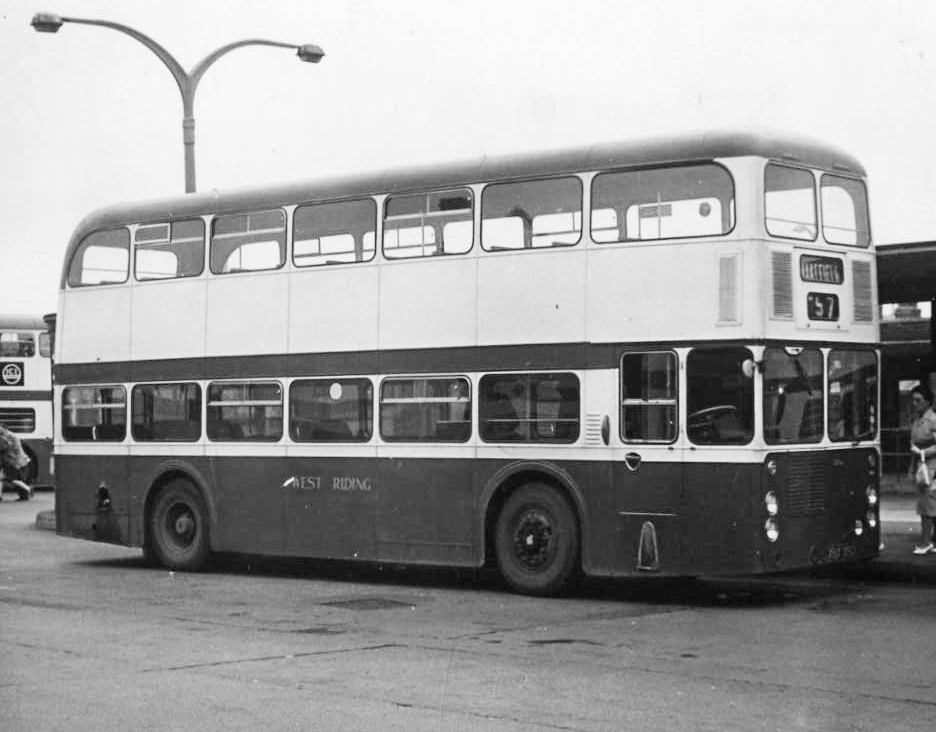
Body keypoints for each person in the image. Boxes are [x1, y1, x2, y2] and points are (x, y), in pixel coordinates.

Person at [908, 384, 936, 554]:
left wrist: (922, 452)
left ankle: (926, 542)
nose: (915, 403)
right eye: (913, 400)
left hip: (931, 467)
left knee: (927, 505)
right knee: (929, 504)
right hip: (923, 466)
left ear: (928, 402)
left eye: (918, 400)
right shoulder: (918, 420)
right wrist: (911, 468)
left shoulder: (932, 420)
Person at [0, 423, 32, 502]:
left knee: (13, 478)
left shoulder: (8, 437)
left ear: (4, 429)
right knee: (4, 478)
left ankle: (27, 489)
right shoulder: (9, 436)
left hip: (15, 461)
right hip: (15, 460)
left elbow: (5, 448)